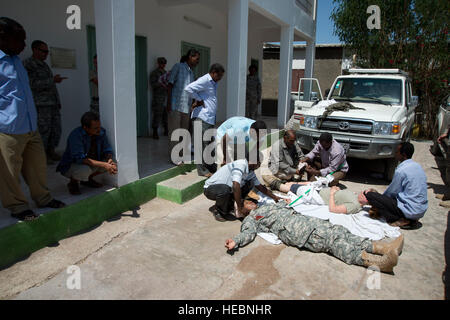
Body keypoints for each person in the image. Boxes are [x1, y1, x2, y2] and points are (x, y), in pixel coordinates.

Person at [0, 17, 65, 221]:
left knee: (37, 167)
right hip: (8, 128)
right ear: (4, 38)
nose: (23, 46)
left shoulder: (17, 61)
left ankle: (43, 198)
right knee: (9, 174)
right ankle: (18, 206)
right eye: (19, 40)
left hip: (30, 125)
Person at [225, 201, 404, 273]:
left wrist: (284, 201)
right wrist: (236, 241)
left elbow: (281, 203)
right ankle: (378, 264)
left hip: (308, 221)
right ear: (242, 210)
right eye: (246, 203)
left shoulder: (265, 206)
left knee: (340, 231)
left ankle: (384, 248)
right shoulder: (251, 219)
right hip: (299, 232)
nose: (250, 202)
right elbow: (247, 233)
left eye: (249, 200)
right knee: (334, 243)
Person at [364, 142, 427, 229]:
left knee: (370, 195)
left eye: (397, 152)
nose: (395, 154)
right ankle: (410, 219)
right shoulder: (418, 166)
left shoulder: (401, 170)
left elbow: (391, 192)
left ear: (403, 154)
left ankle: (403, 219)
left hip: (409, 210)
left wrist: (377, 199)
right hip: (420, 210)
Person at [23, 40, 67, 164]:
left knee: (55, 129)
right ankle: (42, 156)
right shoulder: (28, 64)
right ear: (35, 50)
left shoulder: (44, 65)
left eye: (47, 51)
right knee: (43, 131)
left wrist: (57, 100)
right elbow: (31, 84)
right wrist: (52, 80)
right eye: (44, 51)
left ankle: (51, 151)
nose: (46, 54)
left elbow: (52, 86)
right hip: (41, 105)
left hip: (52, 103)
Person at [203, 153, 281, 222]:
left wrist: (275, 197)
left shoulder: (250, 171)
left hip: (226, 188)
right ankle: (219, 210)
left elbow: (260, 187)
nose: (259, 165)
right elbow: (236, 185)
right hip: (210, 189)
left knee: (250, 183)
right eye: (259, 163)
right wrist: (240, 208)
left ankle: (230, 203)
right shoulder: (241, 164)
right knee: (225, 190)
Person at [56, 112, 117, 195]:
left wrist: (109, 160)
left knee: (112, 163)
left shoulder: (101, 132)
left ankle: (87, 180)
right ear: (85, 127)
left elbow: (107, 149)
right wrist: (104, 164)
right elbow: (80, 158)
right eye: (95, 128)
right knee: (84, 170)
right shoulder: (76, 136)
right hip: (73, 165)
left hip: (91, 162)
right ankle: (73, 183)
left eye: (99, 126)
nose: (99, 130)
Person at [185, 63, 225, 177]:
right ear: (213, 73)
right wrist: (198, 99)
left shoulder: (213, 82)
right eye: (219, 76)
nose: (220, 79)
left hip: (209, 118)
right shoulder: (205, 80)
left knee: (210, 144)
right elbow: (188, 88)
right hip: (202, 117)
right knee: (201, 145)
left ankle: (210, 166)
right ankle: (202, 170)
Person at [167, 49, 200, 164]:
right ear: (190, 57)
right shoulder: (178, 66)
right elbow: (170, 84)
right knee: (175, 133)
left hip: (186, 107)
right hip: (175, 105)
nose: (198, 61)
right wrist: (169, 103)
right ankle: (174, 158)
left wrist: (193, 104)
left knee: (183, 133)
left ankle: (181, 155)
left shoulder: (191, 72)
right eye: (197, 58)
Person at [281, 181, 373, 214]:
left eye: (365, 194)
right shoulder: (356, 197)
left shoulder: (355, 206)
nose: (362, 192)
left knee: (289, 187)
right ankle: (286, 183)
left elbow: (333, 209)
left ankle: (275, 183)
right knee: (297, 183)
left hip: (317, 196)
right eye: (364, 191)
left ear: (367, 201)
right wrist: (337, 189)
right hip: (321, 190)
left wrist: (332, 193)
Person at [149, 57, 169, 139]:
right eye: (161, 63)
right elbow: (153, 85)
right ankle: (155, 132)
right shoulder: (154, 73)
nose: (163, 64)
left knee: (166, 115)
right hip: (158, 97)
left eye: (164, 63)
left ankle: (166, 130)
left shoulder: (166, 73)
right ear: (158, 63)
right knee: (157, 114)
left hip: (166, 96)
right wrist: (161, 83)